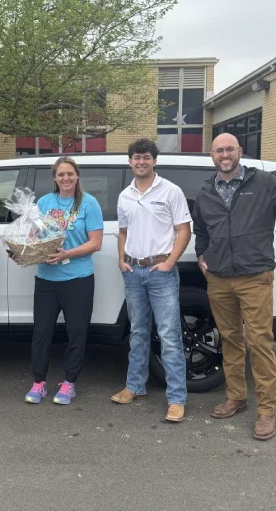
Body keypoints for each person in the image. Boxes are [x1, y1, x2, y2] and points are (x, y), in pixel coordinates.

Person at [192, 133, 276, 441]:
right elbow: (201, 229)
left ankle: (266, 411)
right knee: (230, 340)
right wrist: (202, 256)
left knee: (260, 342)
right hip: (219, 279)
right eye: (219, 150)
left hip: (254, 277)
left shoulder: (263, 183)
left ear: (239, 152)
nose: (225, 154)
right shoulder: (206, 190)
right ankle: (236, 396)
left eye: (230, 149)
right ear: (212, 155)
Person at [111, 138, 192, 423]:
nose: (141, 162)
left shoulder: (171, 191)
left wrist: (169, 262)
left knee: (169, 336)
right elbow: (123, 232)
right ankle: (135, 386)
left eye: (146, 157)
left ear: (154, 160)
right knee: (138, 332)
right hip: (133, 272)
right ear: (130, 161)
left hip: (161, 272)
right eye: (136, 157)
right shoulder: (125, 196)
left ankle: (177, 398)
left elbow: (184, 230)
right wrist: (121, 260)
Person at [18, 157, 104, 406]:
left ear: (77, 176)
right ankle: (39, 382)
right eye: (61, 175)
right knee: (41, 332)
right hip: (46, 279)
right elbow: (34, 236)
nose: (66, 178)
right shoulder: (44, 202)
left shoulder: (89, 204)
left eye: (70, 174)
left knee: (76, 333)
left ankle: (69, 383)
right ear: (54, 178)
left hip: (78, 279)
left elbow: (95, 243)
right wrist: (27, 247)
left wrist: (67, 253)